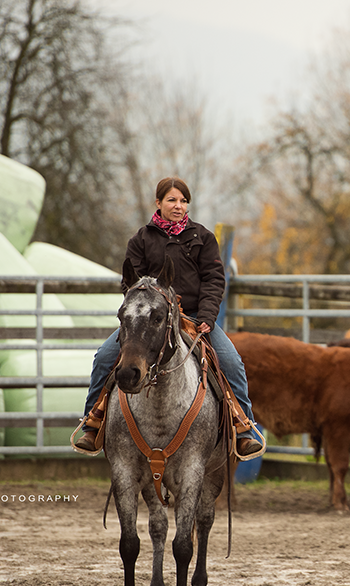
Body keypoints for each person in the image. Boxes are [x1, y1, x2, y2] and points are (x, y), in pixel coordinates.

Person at [73, 176, 263, 458]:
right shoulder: (141, 239)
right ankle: (93, 422)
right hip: (151, 319)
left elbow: (214, 279)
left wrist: (208, 315)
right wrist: (148, 305)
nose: (179, 206)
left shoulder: (203, 237)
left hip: (197, 317)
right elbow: (130, 283)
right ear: (159, 203)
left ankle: (243, 427)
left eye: (183, 201)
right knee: (104, 357)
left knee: (232, 362)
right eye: (172, 200)